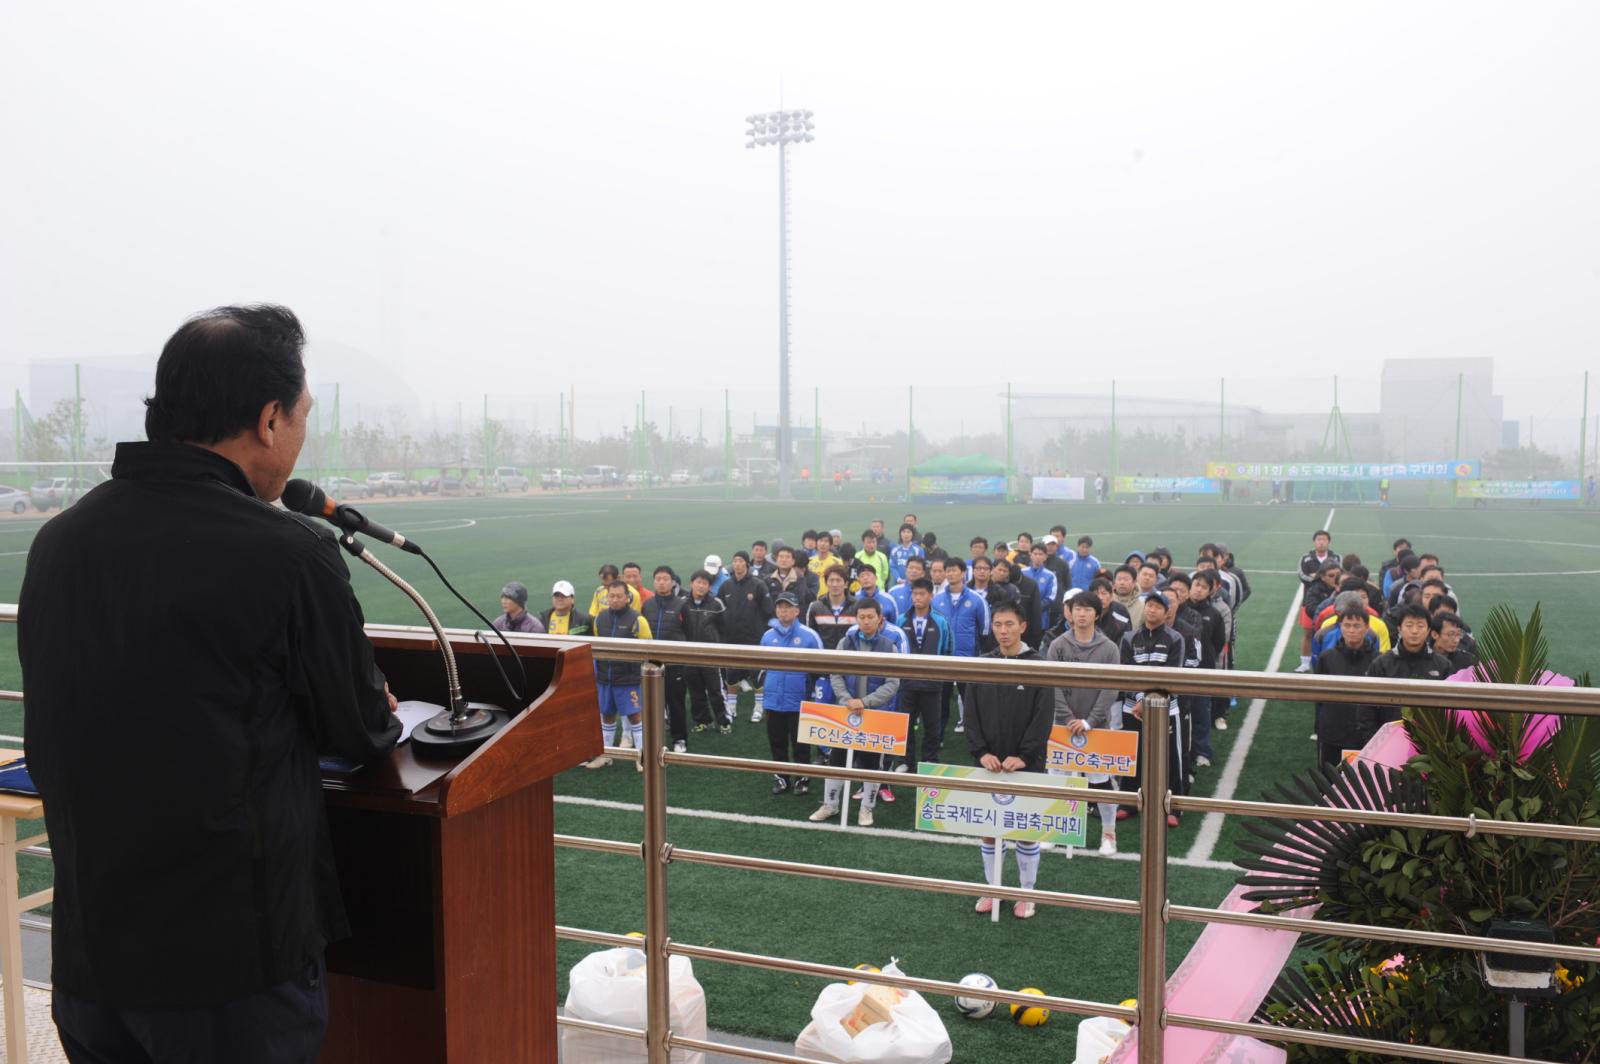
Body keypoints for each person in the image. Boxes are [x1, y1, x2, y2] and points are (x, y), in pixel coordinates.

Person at [20, 305, 401, 1061]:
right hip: (233, 976)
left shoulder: (59, 543)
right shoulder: (290, 554)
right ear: (269, 419)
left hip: (93, 962)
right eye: (300, 419)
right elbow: (359, 731)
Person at [961, 602, 1054, 918]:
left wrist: (1025, 755)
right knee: (988, 828)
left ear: (1023, 626)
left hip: (1026, 764)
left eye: (1009, 624)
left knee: (1026, 828)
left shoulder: (1038, 664)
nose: (1002, 630)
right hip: (989, 762)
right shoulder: (982, 664)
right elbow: (970, 713)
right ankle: (994, 888)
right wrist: (981, 752)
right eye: (998, 624)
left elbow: (1043, 718)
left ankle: (1026, 893)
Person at [808, 599, 903, 828]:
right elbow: (836, 674)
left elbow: (893, 684)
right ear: (856, 619)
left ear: (880, 618)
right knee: (837, 761)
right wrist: (847, 700)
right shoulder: (845, 642)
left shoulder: (889, 646)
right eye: (862, 617)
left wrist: (865, 702)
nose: (866, 621)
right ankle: (830, 805)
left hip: (874, 715)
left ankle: (866, 809)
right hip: (846, 713)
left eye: (871, 617)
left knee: (871, 765)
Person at [1044, 593, 1123, 855]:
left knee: (1101, 781)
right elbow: (1051, 685)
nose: (1081, 614)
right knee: (1059, 780)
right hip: (1061, 727)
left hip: (1097, 727)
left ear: (1097, 614)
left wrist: (1089, 721)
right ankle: (1055, 829)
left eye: (1087, 609)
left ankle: (1109, 835)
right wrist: (1068, 718)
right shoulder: (1058, 645)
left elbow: (1110, 688)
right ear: (1069, 612)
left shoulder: (1109, 648)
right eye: (1077, 608)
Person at [1120, 592, 1189, 828]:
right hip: (1133, 709)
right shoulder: (1129, 638)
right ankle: (1128, 802)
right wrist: (1141, 700)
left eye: (1157, 607)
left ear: (1167, 611)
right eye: (1148, 605)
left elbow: (1173, 677)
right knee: (1132, 756)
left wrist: (1147, 702)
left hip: (1166, 709)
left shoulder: (1175, 638)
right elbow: (1126, 675)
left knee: (1171, 758)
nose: (1151, 610)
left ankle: (1174, 807)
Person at [759, 593, 821, 795]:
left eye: (788, 607)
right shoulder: (768, 636)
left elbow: (820, 669)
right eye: (780, 607)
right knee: (777, 742)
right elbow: (760, 666)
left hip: (799, 701)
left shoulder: (809, 636)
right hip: (773, 701)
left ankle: (802, 779)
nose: (783, 610)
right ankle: (781, 778)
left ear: (797, 611)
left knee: (801, 743)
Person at [593, 580, 654, 770]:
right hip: (605, 679)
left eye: (619, 596)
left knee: (635, 716)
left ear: (627, 597)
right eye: (611, 596)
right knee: (607, 715)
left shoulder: (637, 619)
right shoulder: (600, 618)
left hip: (628, 680)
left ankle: (642, 756)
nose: (615, 599)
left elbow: (649, 648)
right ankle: (606, 755)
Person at [1312, 605, 1382, 768]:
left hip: (1366, 736)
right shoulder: (1327, 657)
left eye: (1357, 626)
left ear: (1366, 628)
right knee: (1329, 783)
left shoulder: (1378, 661)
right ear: (1340, 627)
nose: (1351, 630)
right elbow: (1319, 698)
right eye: (1347, 625)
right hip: (1332, 734)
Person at [1367, 604, 1454, 728]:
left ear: (1428, 630)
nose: (1414, 631)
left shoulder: (1443, 665)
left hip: (1430, 738)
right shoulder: (1382, 664)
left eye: (1420, 626)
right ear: (1399, 628)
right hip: (1389, 736)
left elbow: (1451, 708)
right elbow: (1368, 707)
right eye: (1409, 625)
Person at [897, 578, 951, 770]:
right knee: (905, 723)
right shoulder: (901, 620)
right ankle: (905, 761)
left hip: (932, 682)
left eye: (922, 594)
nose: (918, 598)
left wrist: (939, 675)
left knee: (932, 724)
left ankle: (930, 759)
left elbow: (946, 650)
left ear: (931, 596)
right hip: (907, 683)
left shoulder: (941, 621)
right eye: (915, 594)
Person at [934, 559, 990, 735]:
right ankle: (939, 736)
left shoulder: (976, 600)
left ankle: (975, 735)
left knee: (971, 701)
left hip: (968, 660)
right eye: (947, 571)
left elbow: (985, 631)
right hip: (943, 661)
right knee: (941, 702)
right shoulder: (937, 600)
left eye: (954, 570)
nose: (950, 574)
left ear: (963, 573)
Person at [720, 551, 773, 721]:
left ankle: (758, 707)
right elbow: (719, 610)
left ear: (747, 564)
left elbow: (768, 611)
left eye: (741, 561)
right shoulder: (726, 586)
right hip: (732, 639)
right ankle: (732, 706)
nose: (737, 564)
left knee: (757, 675)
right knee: (731, 675)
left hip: (753, 639)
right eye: (734, 561)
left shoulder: (758, 585)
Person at [643, 566, 692, 752]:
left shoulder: (681, 604)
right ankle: (655, 740)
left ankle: (680, 739)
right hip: (652, 664)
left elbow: (690, 634)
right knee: (654, 703)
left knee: (676, 703)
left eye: (665, 579)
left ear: (672, 582)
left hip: (674, 664)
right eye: (658, 579)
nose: (661, 582)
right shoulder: (647, 605)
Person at [682, 570, 729, 731]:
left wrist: (718, 649)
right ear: (691, 583)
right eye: (698, 582)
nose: (701, 586)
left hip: (710, 656)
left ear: (709, 587)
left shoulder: (716, 603)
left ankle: (724, 722)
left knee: (716, 691)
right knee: (695, 692)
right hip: (689, 656)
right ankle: (703, 721)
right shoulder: (682, 603)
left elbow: (724, 629)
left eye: (705, 583)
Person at [1295, 530, 1336, 671]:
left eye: (1324, 539)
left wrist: (1316, 575)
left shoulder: (1336, 557)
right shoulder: (1306, 558)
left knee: (1330, 631)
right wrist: (1320, 577)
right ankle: (1305, 663)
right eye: (1319, 539)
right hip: (1310, 601)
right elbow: (1302, 575)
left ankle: (1328, 661)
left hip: (1332, 601)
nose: (1321, 542)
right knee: (1308, 633)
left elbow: (1338, 575)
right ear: (1314, 542)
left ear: (1329, 542)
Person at [766, 544, 817, 615]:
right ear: (776, 560)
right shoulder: (768, 579)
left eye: (787, 557)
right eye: (781, 557)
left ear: (793, 561)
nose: (783, 560)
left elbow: (800, 600)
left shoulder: (799, 579)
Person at [1022, 543, 1059, 634]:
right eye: (1035, 554)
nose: (1037, 557)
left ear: (1045, 557)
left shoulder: (1050, 576)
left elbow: (1050, 598)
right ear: (1030, 555)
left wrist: (1035, 608)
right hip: (1022, 619)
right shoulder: (1022, 572)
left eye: (1040, 554)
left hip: (1041, 620)